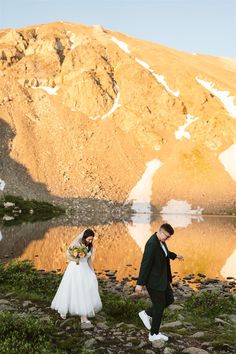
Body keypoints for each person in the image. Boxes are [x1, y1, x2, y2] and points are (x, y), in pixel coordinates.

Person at [135, 223, 184, 342]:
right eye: (166, 236)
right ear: (160, 231)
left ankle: (146, 313)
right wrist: (140, 283)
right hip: (154, 281)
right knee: (159, 306)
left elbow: (165, 253)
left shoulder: (161, 241)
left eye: (168, 237)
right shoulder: (152, 244)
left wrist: (175, 256)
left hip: (162, 279)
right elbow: (145, 264)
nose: (167, 239)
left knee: (170, 299)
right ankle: (154, 334)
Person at [51, 229, 102, 328]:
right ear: (84, 237)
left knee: (86, 290)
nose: (91, 241)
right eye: (89, 239)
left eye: (92, 239)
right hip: (75, 269)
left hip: (85, 269)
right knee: (70, 289)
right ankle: (64, 310)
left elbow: (89, 260)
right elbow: (68, 255)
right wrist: (76, 258)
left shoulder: (90, 246)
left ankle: (84, 316)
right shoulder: (77, 244)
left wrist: (93, 271)